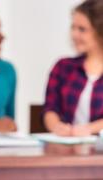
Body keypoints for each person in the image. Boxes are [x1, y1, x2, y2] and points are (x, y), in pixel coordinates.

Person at [43, 0, 103, 137]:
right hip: (66, 149)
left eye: (82, 29)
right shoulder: (63, 67)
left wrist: (89, 129)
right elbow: (50, 108)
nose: (74, 35)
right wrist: (57, 126)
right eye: (73, 28)